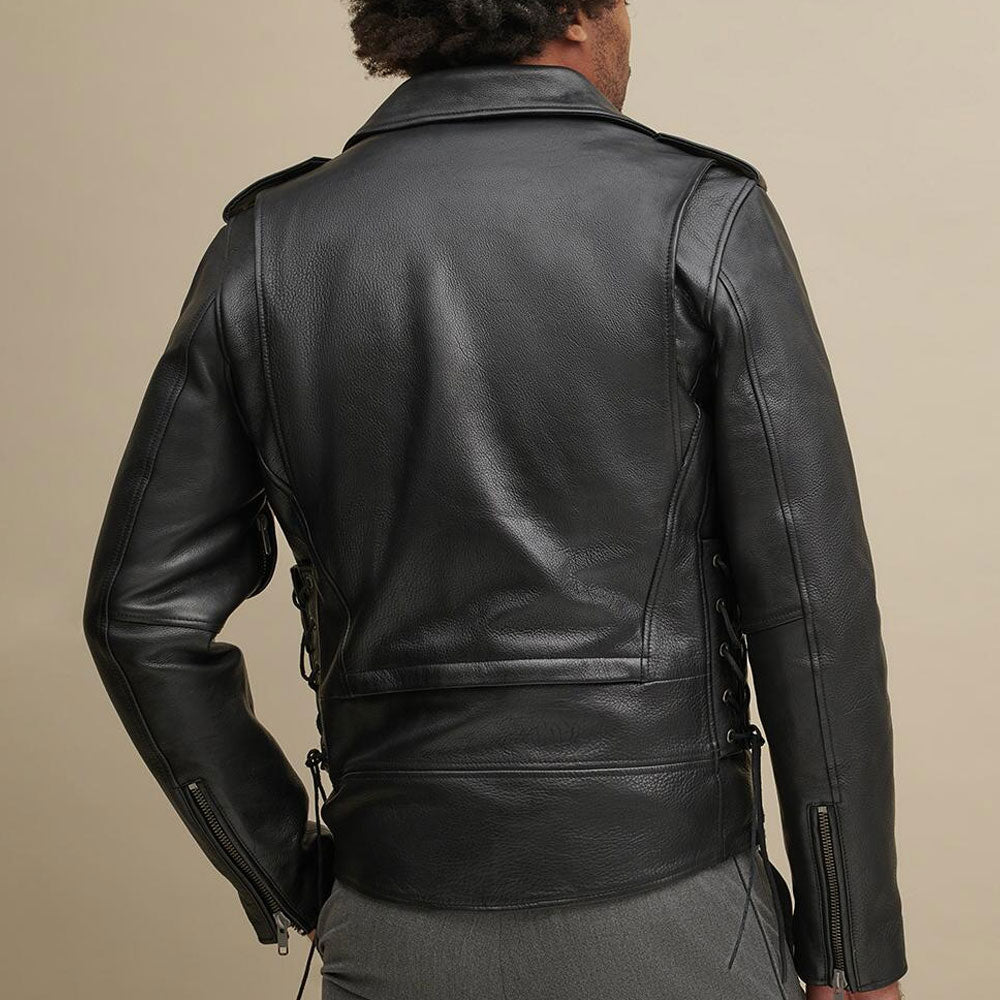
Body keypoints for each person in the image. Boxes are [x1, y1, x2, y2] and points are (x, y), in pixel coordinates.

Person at [82, 2, 908, 998]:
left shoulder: (266, 246)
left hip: (395, 910)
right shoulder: (702, 218)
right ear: (577, 12)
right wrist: (852, 949)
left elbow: (139, 616)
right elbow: (811, 612)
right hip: (675, 907)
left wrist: (294, 873)